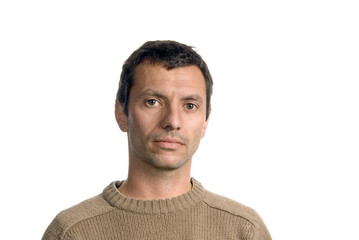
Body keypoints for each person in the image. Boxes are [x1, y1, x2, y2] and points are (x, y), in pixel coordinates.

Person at [42, 40, 271, 240]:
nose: (172, 121)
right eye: (153, 102)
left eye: (190, 106)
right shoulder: (72, 232)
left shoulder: (244, 231)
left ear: (205, 121)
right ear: (122, 113)